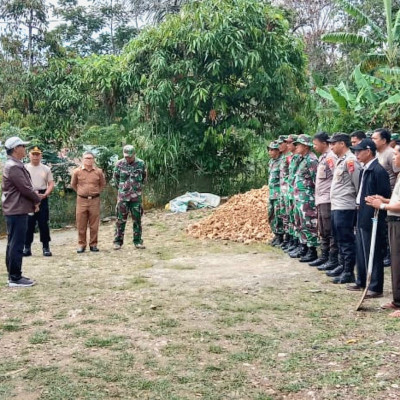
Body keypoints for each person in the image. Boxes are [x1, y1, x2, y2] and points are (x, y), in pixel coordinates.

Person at [347, 139, 391, 298]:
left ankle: (375, 286)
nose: (356, 154)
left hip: (373, 215)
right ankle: (361, 280)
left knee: (373, 249)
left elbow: (384, 195)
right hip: (362, 212)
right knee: (361, 247)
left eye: (359, 151)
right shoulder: (366, 169)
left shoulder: (378, 171)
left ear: (369, 151)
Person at [366, 142, 400, 317]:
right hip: (394, 220)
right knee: (396, 263)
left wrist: (383, 206)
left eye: (395, 155)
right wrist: (384, 200)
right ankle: (397, 300)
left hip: (398, 220)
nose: (393, 158)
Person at [2, 136, 41, 287]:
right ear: (16, 149)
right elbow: (25, 188)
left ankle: (13, 274)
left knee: (13, 243)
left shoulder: (13, 164)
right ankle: (15, 277)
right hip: (17, 209)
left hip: (15, 208)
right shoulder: (14, 166)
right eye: (23, 146)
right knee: (17, 243)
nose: (25, 149)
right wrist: (36, 200)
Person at [326, 133, 362, 284]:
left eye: (333, 143)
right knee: (339, 238)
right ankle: (342, 266)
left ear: (342, 144)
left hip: (346, 206)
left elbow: (358, 184)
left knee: (346, 239)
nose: (331, 146)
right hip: (337, 205)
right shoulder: (341, 161)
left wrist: (358, 203)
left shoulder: (351, 160)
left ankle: (349, 272)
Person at [310, 132, 338, 268]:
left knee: (329, 230)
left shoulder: (331, 157)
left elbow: (336, 178)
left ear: (324, 143)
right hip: (321, 199)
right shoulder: (323, 157)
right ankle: (324, 256)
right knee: (322, 229)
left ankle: (332, 259)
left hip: (328, 199)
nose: (314, 146)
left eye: (315, 144)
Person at [290, 134, 319, 262]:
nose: (296, 147)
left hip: (308, 198)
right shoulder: (301, 159)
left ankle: (312, 250)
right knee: (300, 223)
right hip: (299, 198)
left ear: (306, 146)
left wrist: (313, 197)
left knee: (309, 224)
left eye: (299, 144)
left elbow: (316, 181)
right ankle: (304, 247)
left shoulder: (311, 160)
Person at [71, 151, 106, 253]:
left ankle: (93, 244)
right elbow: (73, 184)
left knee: (94, 224)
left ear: (93, 159)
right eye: (86, 158)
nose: (88, 160)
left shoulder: (98, 171)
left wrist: (96, 192)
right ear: (82, 159)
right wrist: (80, 192)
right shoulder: (77, 171)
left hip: (94, 200)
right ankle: (81, 245)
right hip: (81, 200)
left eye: (90, 158)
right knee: (81, 223)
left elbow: (102, 184)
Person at [113, 145, 147, 250]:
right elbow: (115, 180)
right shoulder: (119, 164)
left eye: (130, 157)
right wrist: (123, 189)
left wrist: (136, 189)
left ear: (134, 154)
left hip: (136, 198)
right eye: (126, 156)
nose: (128, 158)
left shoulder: (141, 163)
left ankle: (137, 241)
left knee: (137, 220)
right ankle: (117, 242)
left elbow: (144, 178)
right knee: (120, 220)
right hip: (123, 198)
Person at [23, 146, 55, 257]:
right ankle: (27, 247)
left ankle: (46, 247)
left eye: (38, 154)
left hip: (42, 196)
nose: (35, 156)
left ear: (41, 155)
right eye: (33, 154)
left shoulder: (45, 169)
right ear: (29, 155)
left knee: (43, 223)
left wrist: (46, 193)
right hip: (28, 197)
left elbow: (51, 183)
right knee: (28, 224)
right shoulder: (24, 168)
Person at [268, 141, 284, 246]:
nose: (270, 152)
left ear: (278, 151)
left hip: (279, 193)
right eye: (269, 150)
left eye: (272, 150)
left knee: (279, 215)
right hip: (271, 193)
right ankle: (275, 234)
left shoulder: (282, 161)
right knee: (271, 214)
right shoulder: (271, 162)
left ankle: (280, 236)